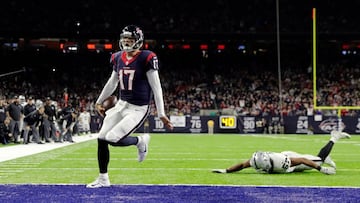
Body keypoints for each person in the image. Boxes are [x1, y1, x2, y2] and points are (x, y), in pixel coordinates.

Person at [86, 25, 173, 188]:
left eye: (130, 39)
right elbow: (112, 82)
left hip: (138, 108)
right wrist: (99, 101)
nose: (126, 42)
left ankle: (140, 141)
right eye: (125, 38)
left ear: (138, 41)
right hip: (121, 104)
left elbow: (156, 87)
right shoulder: (117, 57)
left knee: (112, 138)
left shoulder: (147, 57)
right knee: (101, 138)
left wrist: (161, 112)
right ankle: (103, 178)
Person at [212, 130, 351, 175]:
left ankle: (334, 137)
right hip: (285, 159)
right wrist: (226, 170)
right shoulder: (256, 160)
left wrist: (322, 170)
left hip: (290, 160)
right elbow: (242, 165)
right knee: (316, 159)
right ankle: (323, 158)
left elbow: (301, 160)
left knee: (318, 159)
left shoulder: (279, 162)